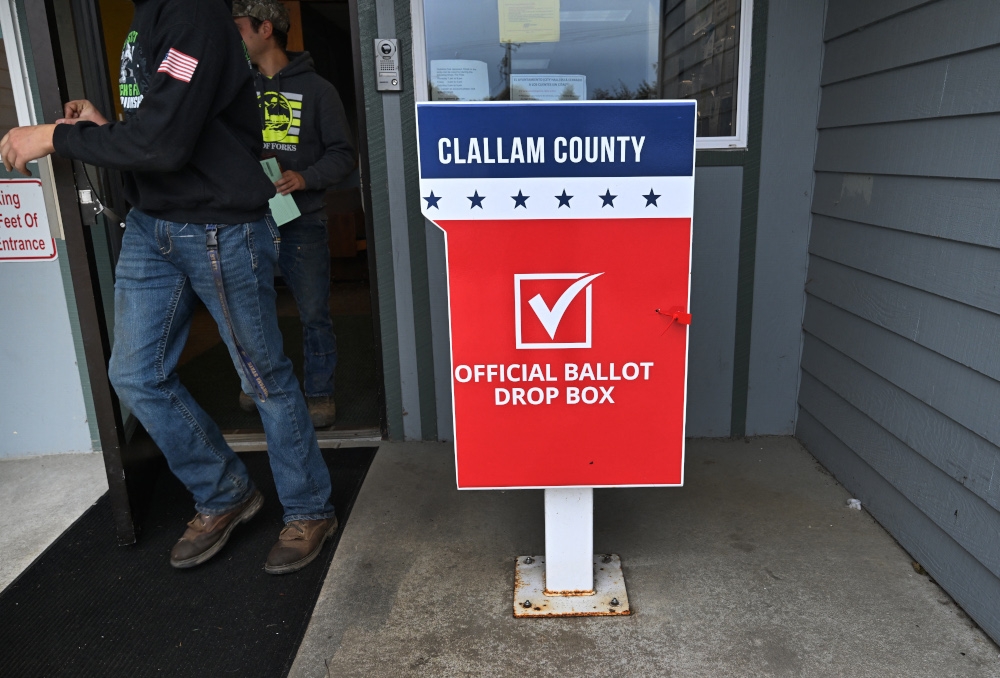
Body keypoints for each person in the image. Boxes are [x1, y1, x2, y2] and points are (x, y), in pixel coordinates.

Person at [0, 0, 337, 575]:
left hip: (219, 229)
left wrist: (57, 136)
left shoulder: (195, 17)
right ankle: (226, 491)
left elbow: (163, 145)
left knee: (263, 379)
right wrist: (105, 129)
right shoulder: (147, 18)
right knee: (135, 375)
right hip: (153, 224)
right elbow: (169, 125)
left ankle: (309, 509)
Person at [232, 0, 356, 429]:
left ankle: (319, 393)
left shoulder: (318, 90)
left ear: (265, 29)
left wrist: (305, 178)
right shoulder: (234, 89)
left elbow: (344, 155)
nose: (235, 39)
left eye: (240, 30)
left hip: (302, 219)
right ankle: (257, 386)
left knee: (314, 312)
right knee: (249, 311)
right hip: (246, 218)